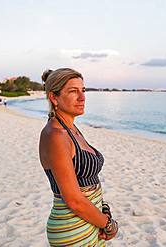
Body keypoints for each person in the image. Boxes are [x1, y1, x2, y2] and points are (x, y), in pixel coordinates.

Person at [39, 68, 118, 246]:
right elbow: (74, 200)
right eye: (73, 91)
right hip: (72, 229)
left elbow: (88, 180)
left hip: (90, 222)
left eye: (83, 90)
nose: (82, 97)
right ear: (54, 97)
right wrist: (108, 225)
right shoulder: (56, 136)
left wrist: (103, 211)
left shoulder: (71, 129)